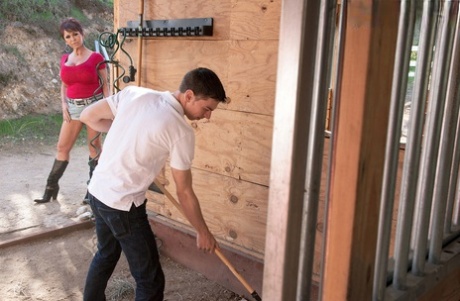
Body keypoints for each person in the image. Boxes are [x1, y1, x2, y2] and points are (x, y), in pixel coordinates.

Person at [79, 67, 228, 300]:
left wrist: (127, 132)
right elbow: (184, 191)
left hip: (97, 192)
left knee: (106, 254)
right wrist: (202, 231)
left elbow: (88, 115)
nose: (208, 116)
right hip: (123, 205)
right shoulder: (180, 131)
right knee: (149, 280)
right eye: (207, 108)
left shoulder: (135, 94)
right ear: (189, 95)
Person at [34, 18, 109, 204]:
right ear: (65, 40)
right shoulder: (65, 59)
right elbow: (65, 84)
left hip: (93, 106)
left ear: (82, 34)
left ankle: (92, 191)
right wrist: (64, 105)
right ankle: (51, 188)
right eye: (68, 36)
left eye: (76, 34)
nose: (73, 38)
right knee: (62, 147)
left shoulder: (96, 58)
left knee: (94, 148)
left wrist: (108, 107)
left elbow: (106, 85)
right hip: (73, 108)